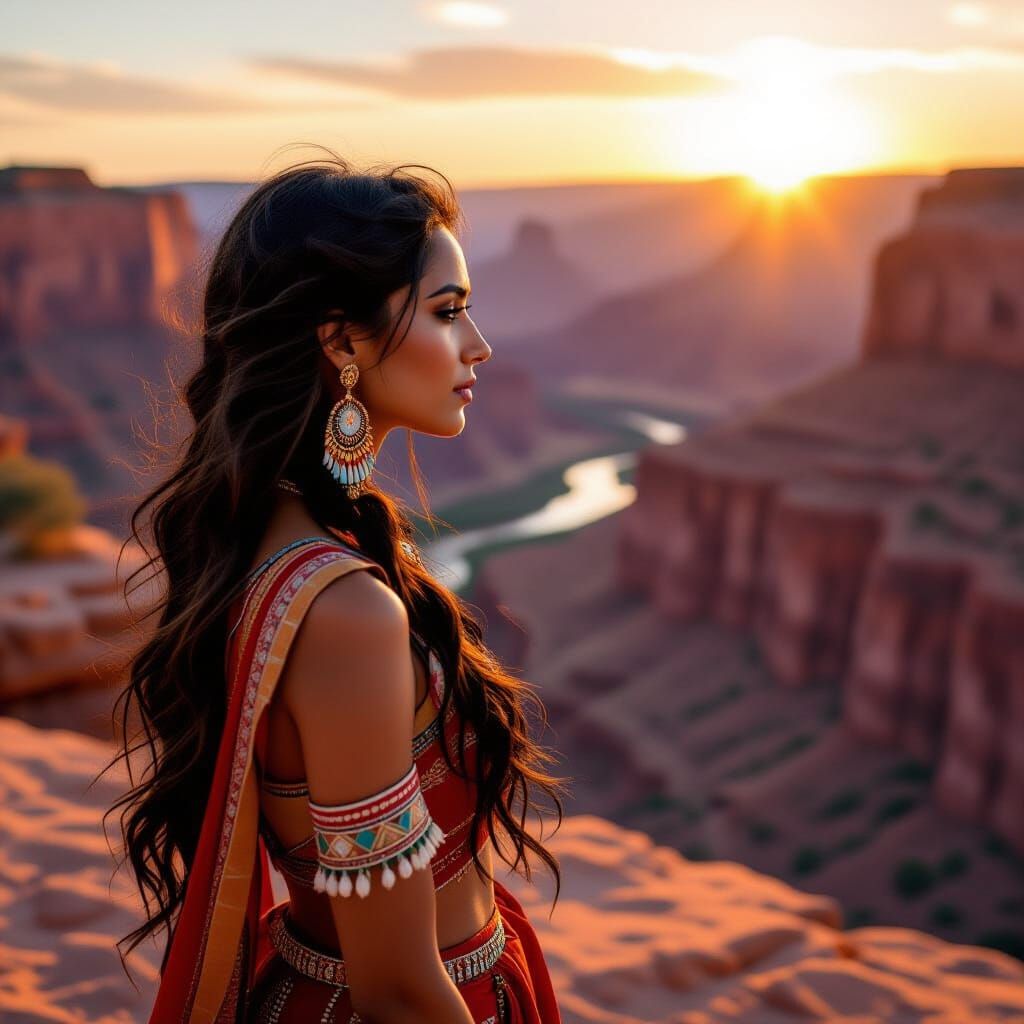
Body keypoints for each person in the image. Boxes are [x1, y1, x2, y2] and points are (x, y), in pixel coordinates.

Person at [106, 151, 570, 1023]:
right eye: (448, 311)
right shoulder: (347, 610)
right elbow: (397, 985)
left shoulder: (270, 545)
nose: (480, 345)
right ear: (341, 340)